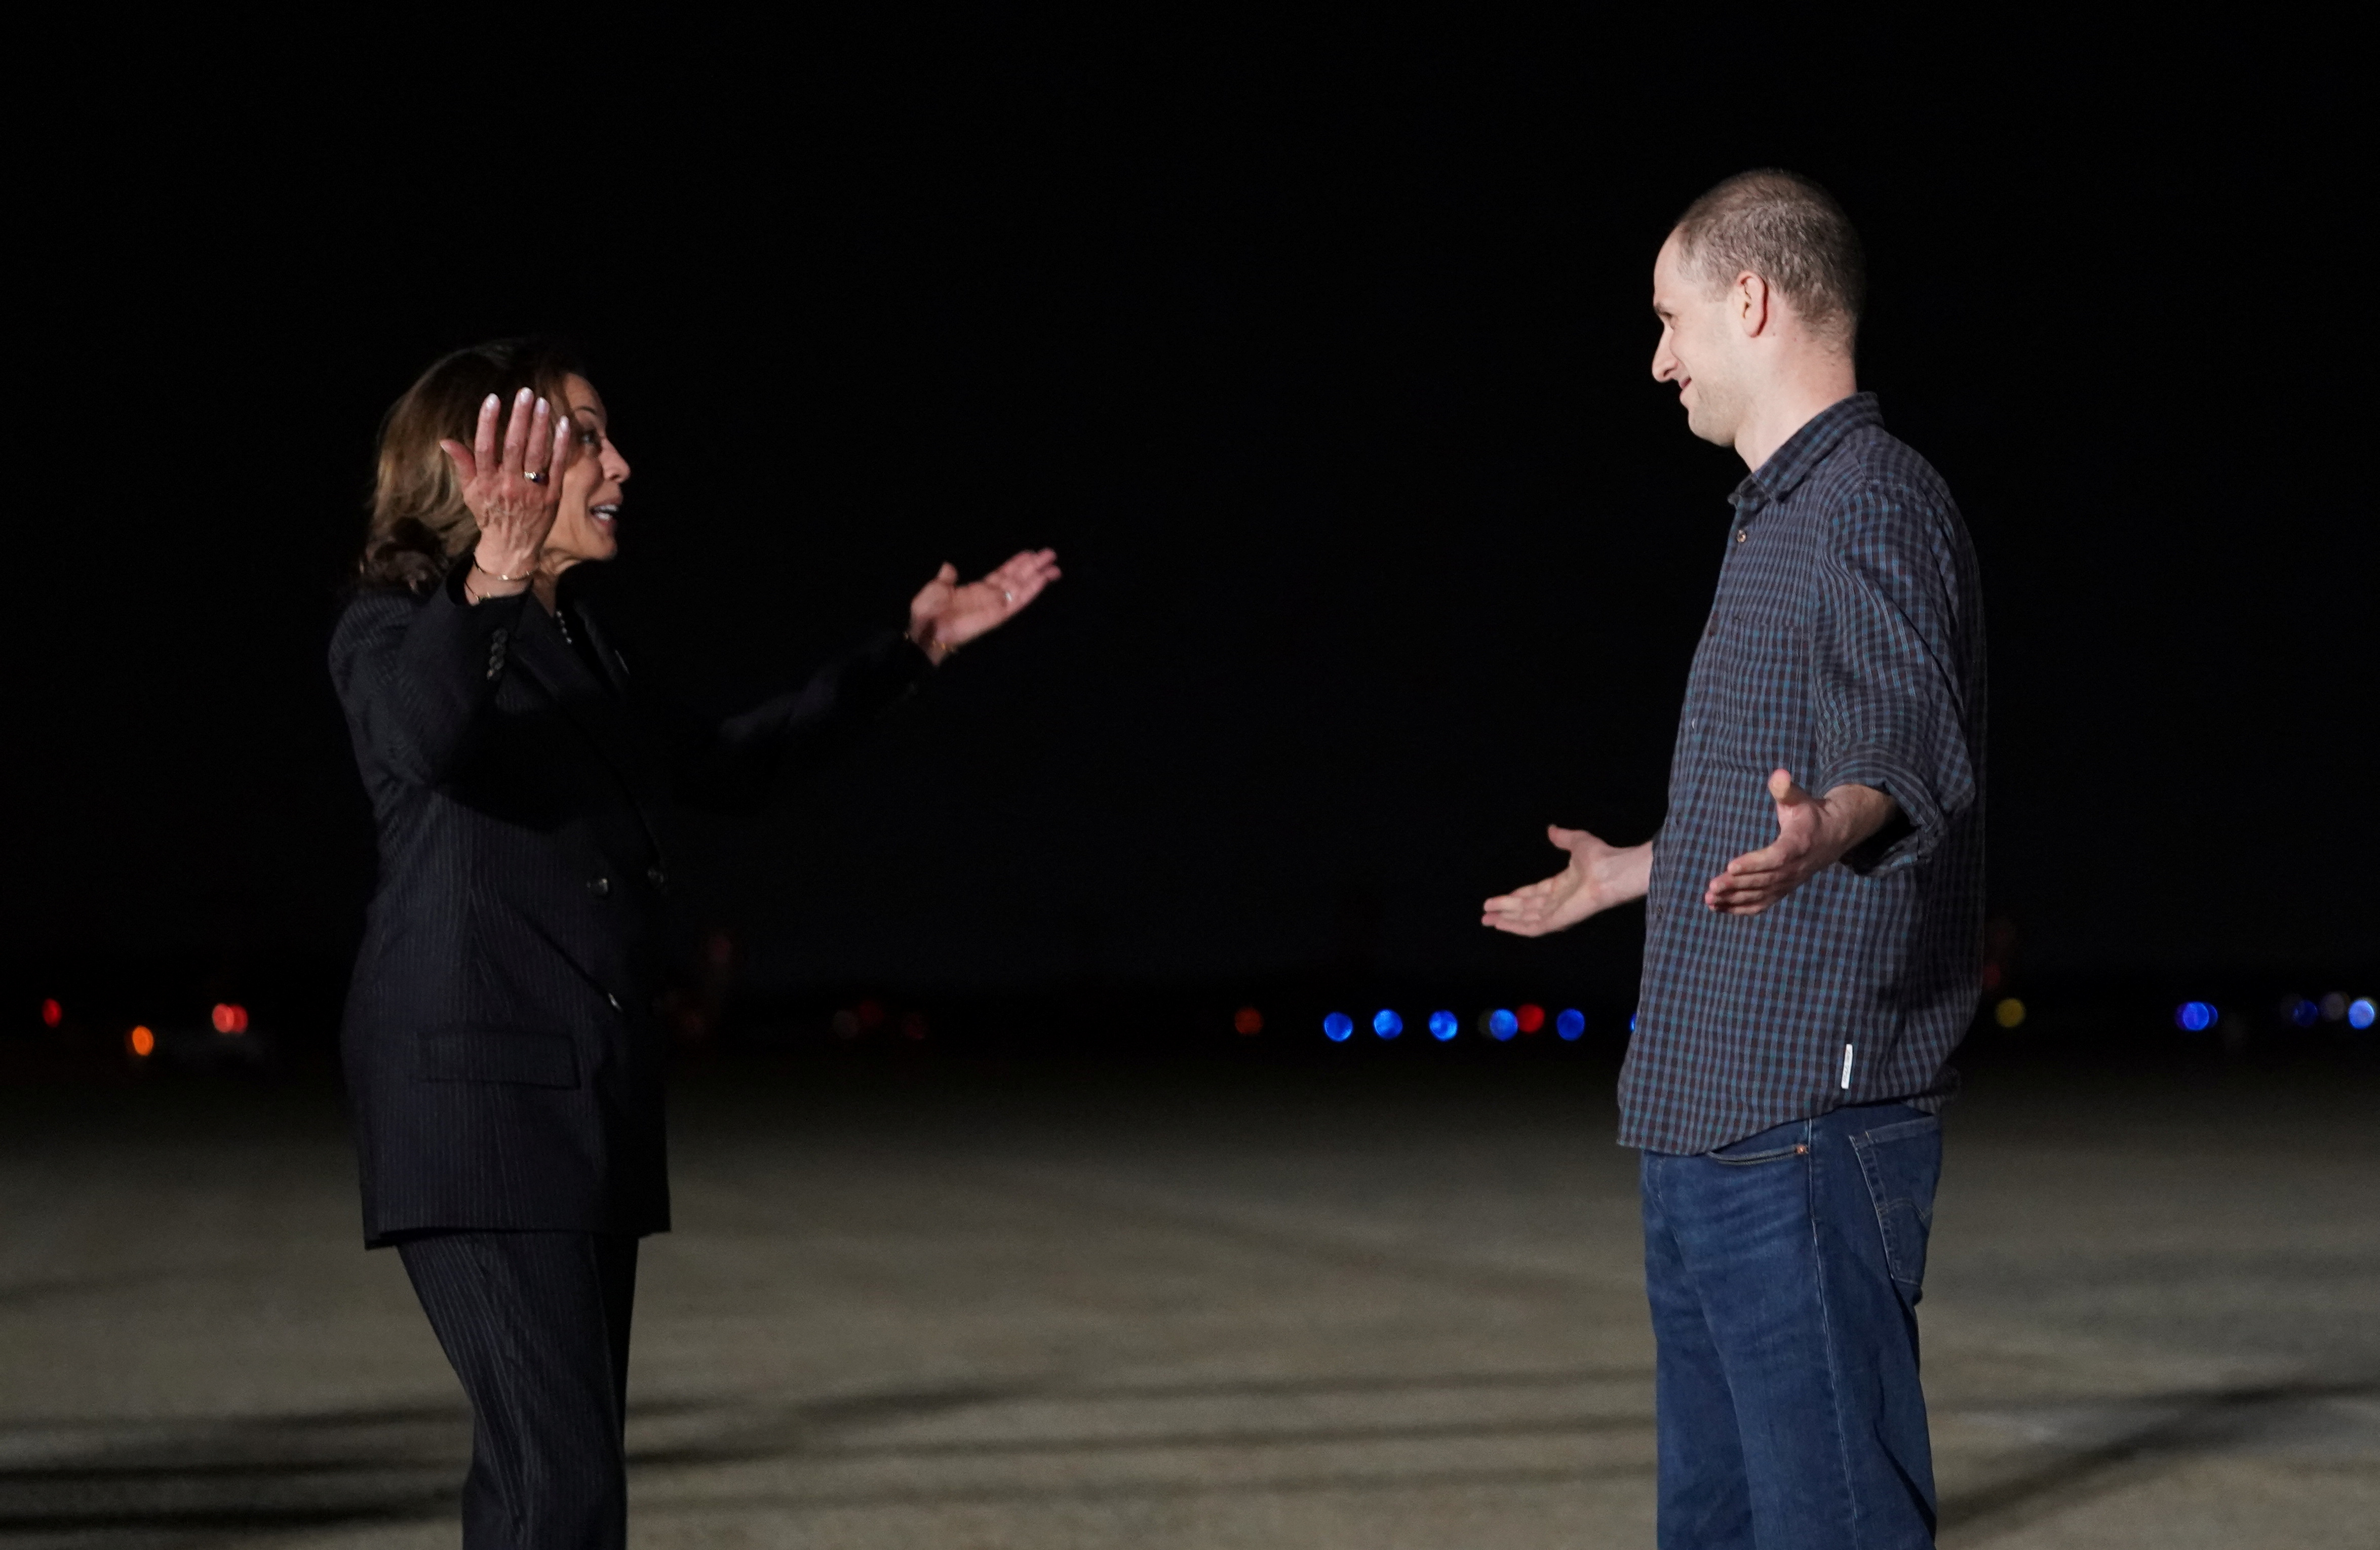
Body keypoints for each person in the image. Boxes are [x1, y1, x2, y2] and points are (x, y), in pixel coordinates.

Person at [329, 338, 1059, 1548]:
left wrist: (912, 653)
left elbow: (730, 764)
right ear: (485, 460)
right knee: (557, 1491)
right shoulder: (392, 629)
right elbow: (426, 738)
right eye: (586, 436)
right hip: (478, 1110)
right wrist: (494, 578)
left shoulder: (585, 644)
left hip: (577, 1108)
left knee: (543, 1486)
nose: (621, 462)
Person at [1482, 172, 1984, 1549]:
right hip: (1702, 1113)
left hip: (1801, 1122)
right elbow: (1782, 794)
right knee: (1710, 1525)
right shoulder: (1772, 516)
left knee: (1829, 1522)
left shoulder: (1874, 501)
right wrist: (1638, 867)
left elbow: (1900, 742)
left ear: (1749, 299)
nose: (1657, 358)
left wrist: (1841, 817)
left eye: (1669, 317)